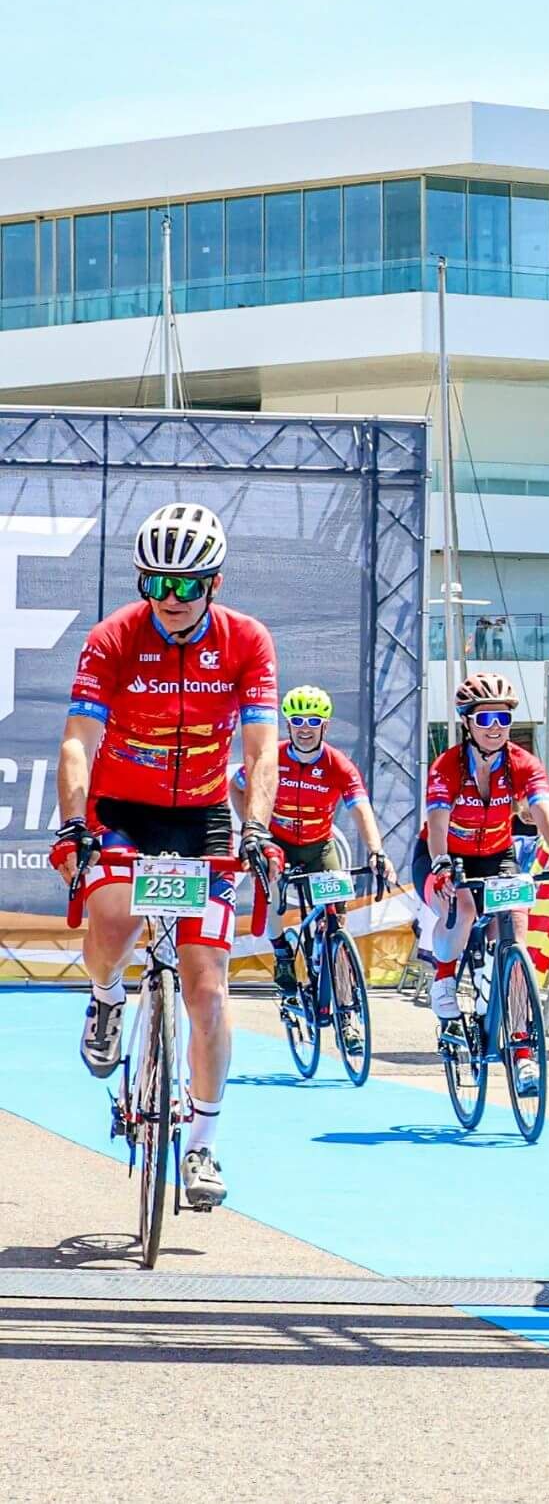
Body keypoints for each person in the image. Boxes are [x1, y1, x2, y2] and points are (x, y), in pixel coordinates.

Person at [52, 502, 283, 1211]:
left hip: (203, 817)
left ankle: (205, 1141)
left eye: (185, 586)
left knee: (208, 990)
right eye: (155, 583)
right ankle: (105, 997)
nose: (169, 600)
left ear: (214, 583)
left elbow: (261, 749)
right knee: (116, 921)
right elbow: (76, 743)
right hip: (122, 809)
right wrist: (71, 823)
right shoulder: (113, 637)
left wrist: (256, 827)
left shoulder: (247, 641)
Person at [420, 670, 549, 1095]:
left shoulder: (522, 763)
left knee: (515, 930)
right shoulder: (448, 766)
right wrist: (441, 863)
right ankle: (443, 977)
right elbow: (437, 822)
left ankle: (523, 1052)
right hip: (445, 854)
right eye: (485, 719)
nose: (495, 728)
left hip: (496, 854)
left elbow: (543, 809)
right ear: (467, 723)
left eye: (503, 720)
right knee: (466, 908)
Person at [232, 684, 394, 992]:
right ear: (288, 724)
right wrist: (251, 827)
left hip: (318, 846)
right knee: (272, 893)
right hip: (277, 844)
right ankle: (281, 952)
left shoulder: (338, 765)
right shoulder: (272, 757)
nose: (305, 729)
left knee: (336, 919)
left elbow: (361, 806)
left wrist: (377, 851)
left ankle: (344, 1000)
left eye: (313, 721)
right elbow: (236, 786)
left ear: (325, 725)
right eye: (298, 721)